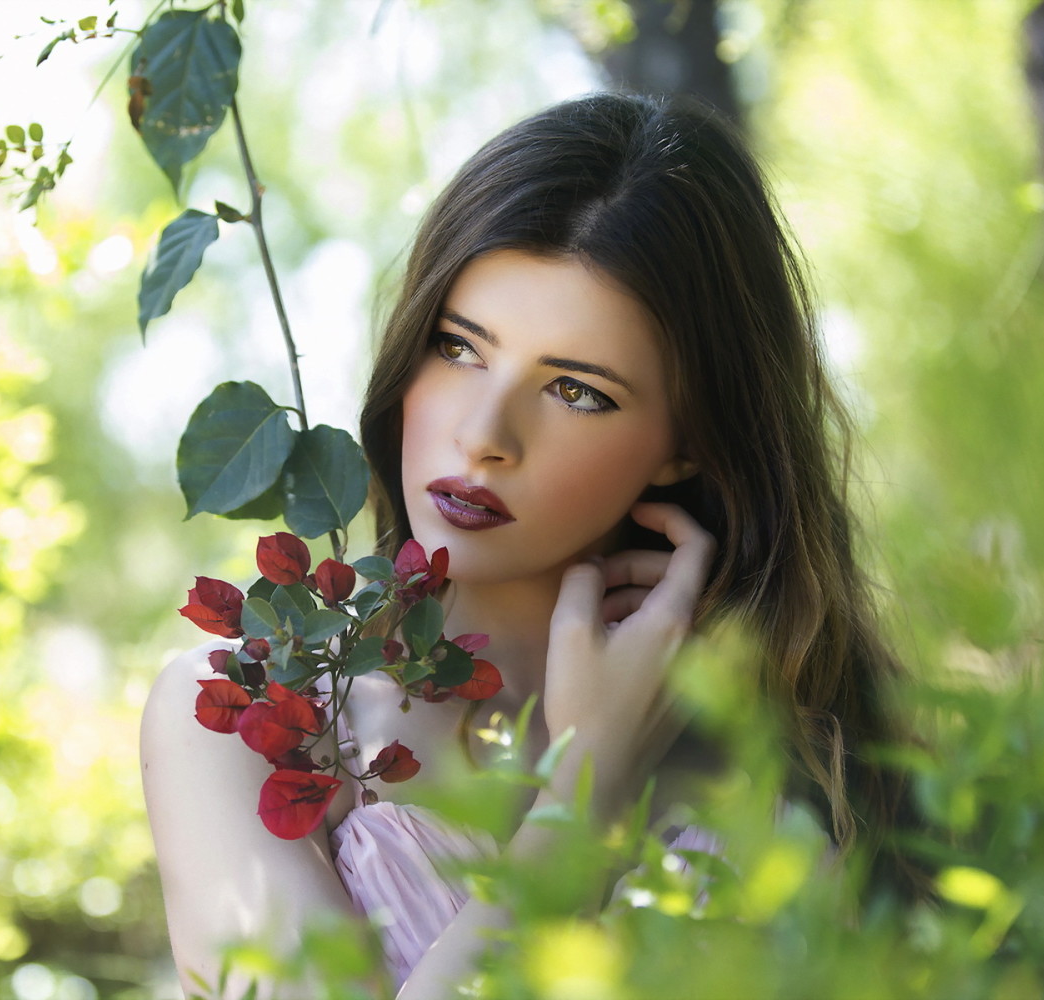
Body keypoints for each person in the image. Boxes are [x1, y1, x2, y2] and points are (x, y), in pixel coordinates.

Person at [141, 91, 915, 998]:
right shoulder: (248, 718)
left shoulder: (778, 794)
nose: (483, 433)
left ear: (689, 441)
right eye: (459, 347)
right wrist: (587, 797)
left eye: (576, 390)